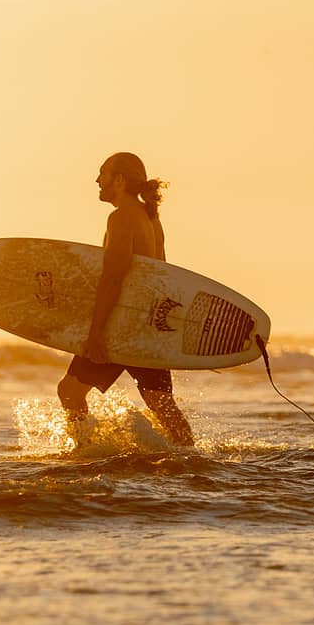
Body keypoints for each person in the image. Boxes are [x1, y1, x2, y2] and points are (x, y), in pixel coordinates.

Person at [57, 153, 195, 447]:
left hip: (120, 328)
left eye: (102, 173)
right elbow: (162, 278)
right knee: (162, 405)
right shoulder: (151, 218)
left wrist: (96, 334)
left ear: (119, 180)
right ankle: (191, 456)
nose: (97, 180)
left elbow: (113, 278)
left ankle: (86, 451)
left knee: (70, 392)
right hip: (146, 326)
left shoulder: (120, 218)